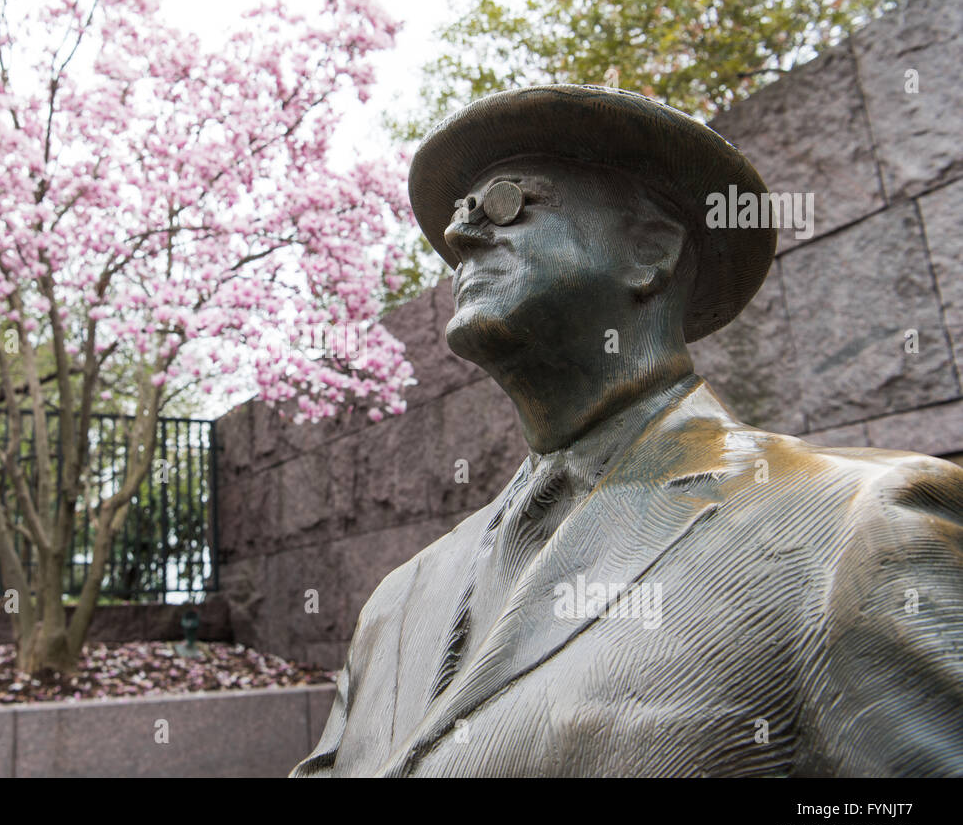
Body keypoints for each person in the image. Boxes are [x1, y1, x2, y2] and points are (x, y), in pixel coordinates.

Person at [291, 84, 963, 777]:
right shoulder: (395, 602)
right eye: (462, 213)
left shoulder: (858, 530)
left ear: (651, 251)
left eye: (508, 202)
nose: (461, 236)